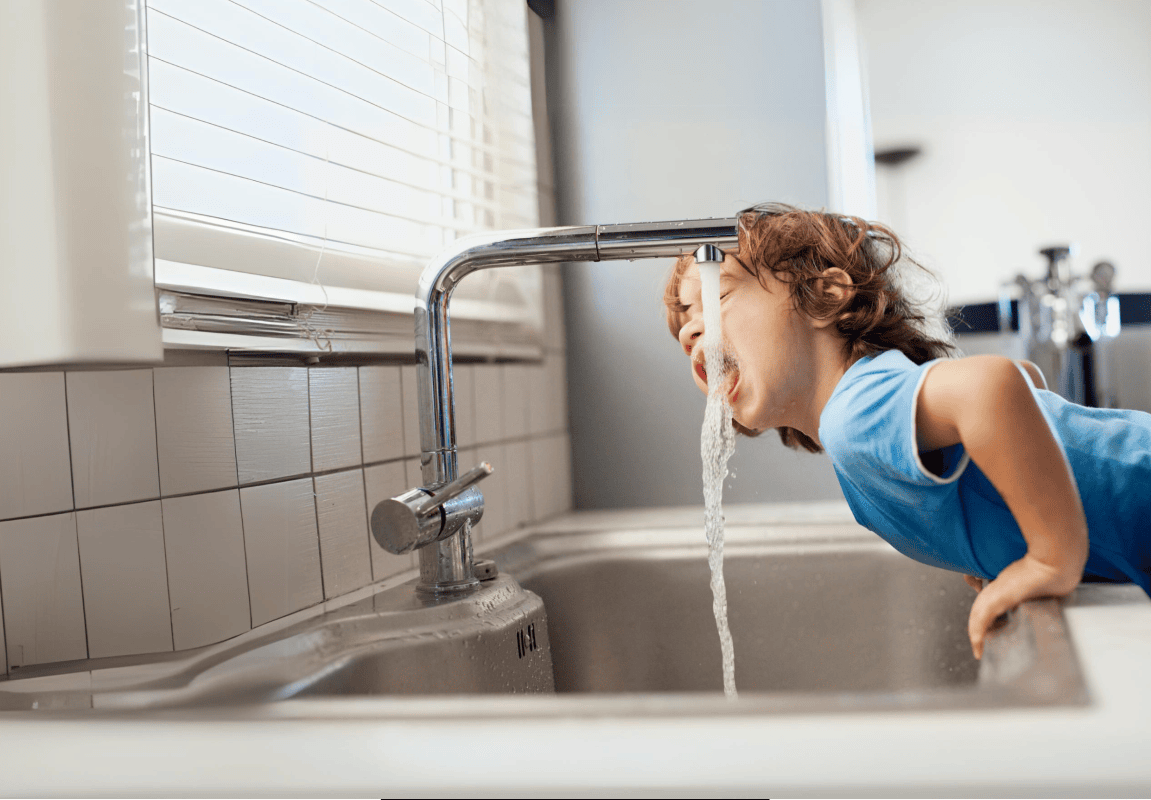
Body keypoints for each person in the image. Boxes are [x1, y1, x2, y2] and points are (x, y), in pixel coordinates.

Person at [664, 202, 1151, 658]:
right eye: (684, 322)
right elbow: (1027, 378)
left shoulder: (852, 415)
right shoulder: (867, 404)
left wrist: (1047, 557)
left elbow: (993, 384)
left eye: (716, 296)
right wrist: (1006, 538)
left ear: (824, 297)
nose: (690, 331)